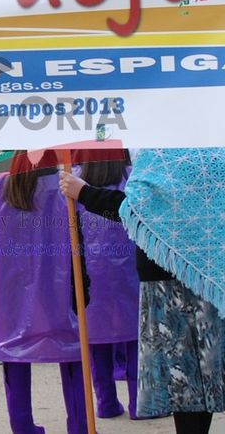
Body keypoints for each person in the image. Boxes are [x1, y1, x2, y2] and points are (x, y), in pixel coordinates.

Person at [60, 148, 225, 434]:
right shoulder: (219, 154)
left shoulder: (158, 154)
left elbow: (133, 211)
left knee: (181, 377)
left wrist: (84, 192)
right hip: (212, 273)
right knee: (205, 371)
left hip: (166, 282)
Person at [0, 150, 89, 434]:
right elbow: (78, 243)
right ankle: (79, 425)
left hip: (12, 291)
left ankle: (22, 426)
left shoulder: (3, 189)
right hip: (61, 287)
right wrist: (84, 287)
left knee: (14, 357)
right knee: (73, 357)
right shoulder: (66, 188)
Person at [74, 154, 141, 420]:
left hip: (90, 271)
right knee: (136, 337)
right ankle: (140, 403)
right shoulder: (133, 177)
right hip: (130, 269)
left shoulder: (74, 178)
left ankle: (105, 402)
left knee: (95, 339)